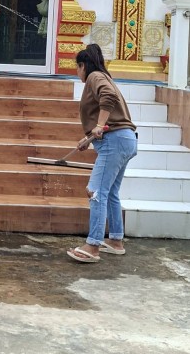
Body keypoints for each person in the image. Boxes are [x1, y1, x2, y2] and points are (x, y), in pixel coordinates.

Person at [67, 43, 137, 263]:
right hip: (125, 139)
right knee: (111, 192)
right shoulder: (104, 76)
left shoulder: (95, 77)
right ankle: (115, 240)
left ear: (83, 66)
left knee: (95, 191)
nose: (77, 73)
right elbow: (109, 118)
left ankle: (93, 245)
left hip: (115, 141)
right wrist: (89, 137)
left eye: (77, 68)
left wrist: (98, 126)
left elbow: (108, 97)